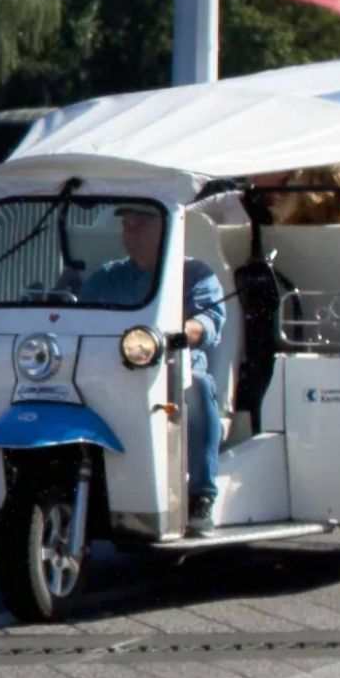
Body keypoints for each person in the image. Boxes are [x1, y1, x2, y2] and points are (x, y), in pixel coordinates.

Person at [80, 202, 227, 528]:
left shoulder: (196, 274)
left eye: (140, 224)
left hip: (177, 370)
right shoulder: (106, 277)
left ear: (169, 230)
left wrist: (183, 331)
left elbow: (210, 321)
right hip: (111, 370)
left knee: (199, 388)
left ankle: (201, 495)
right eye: (126, 225)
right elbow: (76, 310)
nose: (130, 232)